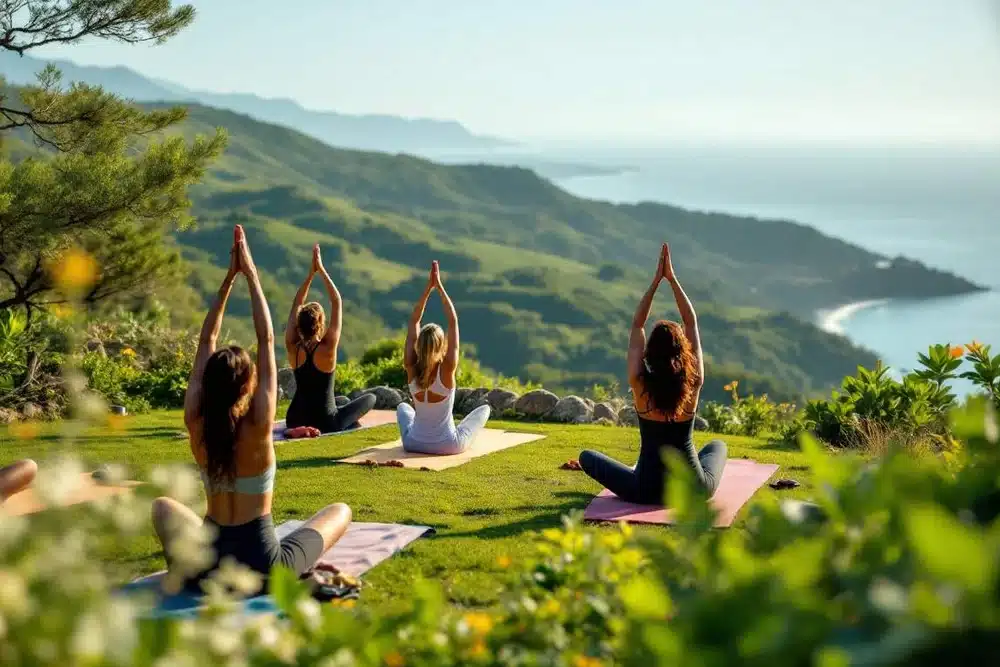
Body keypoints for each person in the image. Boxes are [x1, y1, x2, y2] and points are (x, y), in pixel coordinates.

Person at [151, 226, 352, 594]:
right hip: (263, 568)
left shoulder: (196, 421)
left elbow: (207, 340)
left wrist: (228, 281)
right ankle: (296, 575)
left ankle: (189, 572)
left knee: (163, 507)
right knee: (340, 511)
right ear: (248, 386)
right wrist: (250, 274)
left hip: (209, 563)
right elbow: (266, 339)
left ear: (208, 384)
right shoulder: (259, 424)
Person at [579, 243, 727, 505]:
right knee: (718, 446)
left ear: (650, 353)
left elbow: (637, 324)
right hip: (692, 491)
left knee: (586, 457)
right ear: (683, 353)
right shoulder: (694, 382)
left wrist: (656, 282)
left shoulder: (639, 383)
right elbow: (691, 322)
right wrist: (672, 280)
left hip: (645, 490)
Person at [397, 261, 490, 454]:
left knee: (403, 407)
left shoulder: (411, 366)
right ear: (442, 346)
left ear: (419, 344)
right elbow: (453, 321)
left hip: (413, 443)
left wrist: (427, 290)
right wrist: (439, 287)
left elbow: (414, 320)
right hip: (448, 446)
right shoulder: (447, 368)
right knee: (484, 411)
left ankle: (421, 432)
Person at [283, 245, 376, 436]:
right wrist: (321, 270)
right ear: (320, 325)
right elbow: (336, 301)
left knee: (340, 400)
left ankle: (298, 430)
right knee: (371, 398)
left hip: (294, 418)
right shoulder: (327, 348)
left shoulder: (293, 346)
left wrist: (310, 275)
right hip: (326, 422)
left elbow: (296, 303)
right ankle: (343, 424)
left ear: (299, 325)